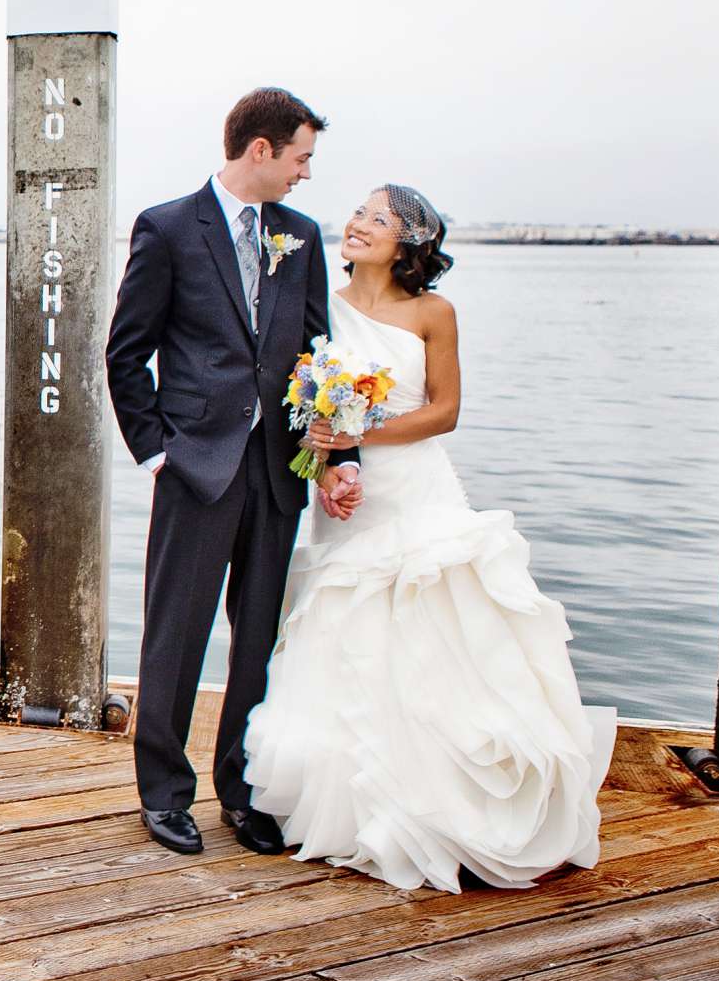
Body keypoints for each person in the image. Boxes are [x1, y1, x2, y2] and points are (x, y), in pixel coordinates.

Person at [243, 186, 612, 891]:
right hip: (341, 493)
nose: (355, 224)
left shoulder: (433, 312)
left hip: (415, 488)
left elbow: (445, 412)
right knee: (345, 629)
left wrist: (360, 434)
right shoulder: (320, 301)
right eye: (357, 212)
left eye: (376, 219)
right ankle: (349, 805)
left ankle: (446, 801)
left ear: (408, 243)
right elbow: (304, 399)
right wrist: (327, 457)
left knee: (435, 625)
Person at [105, 88, 360, 858]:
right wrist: (158, 450)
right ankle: (164, 793)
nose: (306, 174)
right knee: (175, 634)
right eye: (301, 157)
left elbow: (317, 357)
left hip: (277, 470)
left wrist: (329, 456)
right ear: (261, 149)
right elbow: (126, 353)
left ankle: (241, 794)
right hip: (196, 465)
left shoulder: (302, 235)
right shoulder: (169, 227)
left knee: (257, 639)